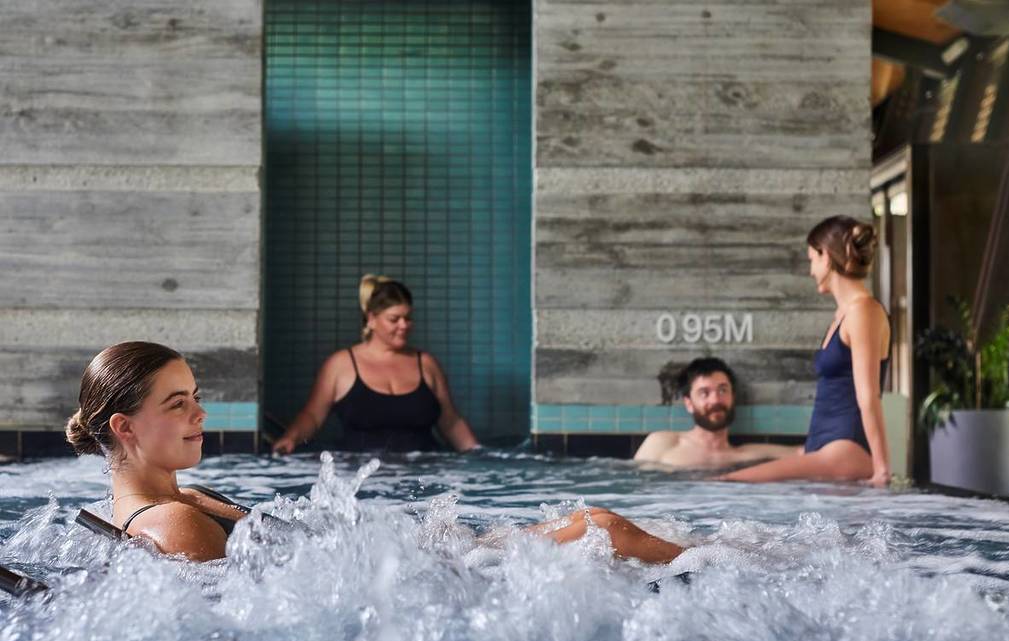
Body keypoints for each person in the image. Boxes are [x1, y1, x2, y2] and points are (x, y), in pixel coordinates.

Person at [66, 342, 688, 564]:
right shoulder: (172, 520)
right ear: (124, 427)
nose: (201, 414)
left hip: (409, 563)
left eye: (196, 397)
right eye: (178, 404)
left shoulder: (176, 501)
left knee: (601, 527)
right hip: (416, 584)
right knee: (603, 528)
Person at [721, 216, 891, 486]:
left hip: (845, 450)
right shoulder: (844, 314)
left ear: (826, 257)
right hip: (824, 447)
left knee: (729, 482)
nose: (811, 270)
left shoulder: (863, 311)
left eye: (812, 259)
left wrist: (882, 470)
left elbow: (868, 396)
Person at [272, 275, 479, 454]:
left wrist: (480, 456)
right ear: (371, 319)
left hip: (423, 476)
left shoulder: (426, 363)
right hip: (364, 480)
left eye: (408, 318)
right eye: (394, 319)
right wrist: (291, 438)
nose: (404, 325)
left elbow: (451, 422)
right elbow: (313, 416)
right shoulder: (341, 365)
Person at [633, 357, 799, 469]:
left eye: (722, 390)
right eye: (704, 393)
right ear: (689, 403)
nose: (715, 400)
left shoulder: (747, 455)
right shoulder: (663, 444)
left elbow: (804, 453)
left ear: (733, 396)